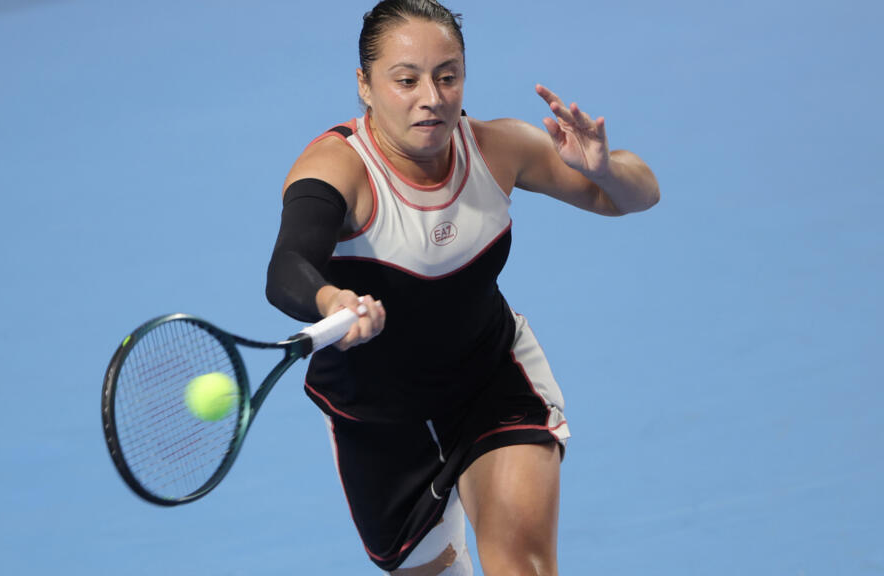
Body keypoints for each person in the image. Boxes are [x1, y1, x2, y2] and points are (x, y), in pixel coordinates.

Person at [266, 1, 659, 574]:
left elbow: (636, 195)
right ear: (365, 86)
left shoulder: (497, 147)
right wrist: (332, 300)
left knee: (521, 565)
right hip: (379, 419)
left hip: (490, 383)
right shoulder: (337, 168)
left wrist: (603, 171)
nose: (432, 97)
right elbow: (287, 266)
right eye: (406, 80)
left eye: (447, 76)